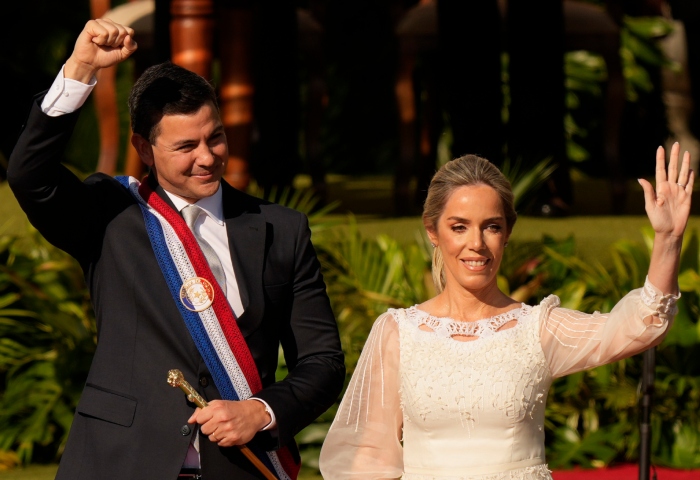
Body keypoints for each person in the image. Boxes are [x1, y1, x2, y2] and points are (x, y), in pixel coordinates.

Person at [7, 19, 345, 480]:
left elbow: (322, 362)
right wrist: (81, 67)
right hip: (120, 463)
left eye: (216, 137)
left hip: (239, 467)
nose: (207, 157)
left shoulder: (281, 229)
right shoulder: (109, 217)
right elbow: (30, 176)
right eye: (186, 145)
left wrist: (262, 411)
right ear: (143, 149)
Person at [319, 147, 692, 479]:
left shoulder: (537, 328)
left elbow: (639, 326)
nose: (476, 244)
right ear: (433, 231)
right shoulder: (397, 332)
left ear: (508, 232)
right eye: (459, 227)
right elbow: (362, 457)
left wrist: (668, 241)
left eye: (491, 227)